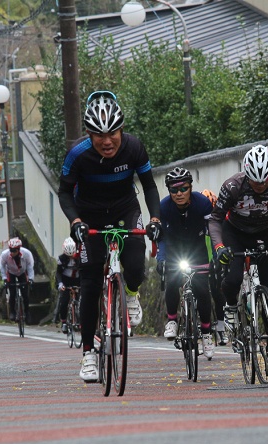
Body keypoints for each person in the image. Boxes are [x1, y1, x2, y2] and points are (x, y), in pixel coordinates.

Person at [58, 90, 162, 383]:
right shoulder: (77, 154)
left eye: (112, 133)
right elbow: (65, 191)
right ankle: (89, 353)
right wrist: (75, 221)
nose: (107, 141)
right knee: (90, 283)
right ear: (89, 134)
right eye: (98, 135)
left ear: (121, 129)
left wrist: (155, 219)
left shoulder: (134, 148)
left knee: (136, 264)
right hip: (88, 215)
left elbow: (150, 186)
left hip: (124, 209)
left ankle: (130, 294)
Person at [208, 145, 268, 372]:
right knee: (232, 279)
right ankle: (230, 307)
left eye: (264, 182)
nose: (260, 186)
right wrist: (219, 247)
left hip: (263, 233)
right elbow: (215, 219)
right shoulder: (232, 187)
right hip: (234, 232)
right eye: (255, 182)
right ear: (246, 175)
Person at [156, 168, 215, 358]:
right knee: (172, 281)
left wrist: (216, 256)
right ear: (169, 191)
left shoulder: (203, 204)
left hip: (197, 251)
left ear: (191, 188)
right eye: (174, 190)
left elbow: (213, 232)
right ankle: (172, 319)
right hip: (174, 251)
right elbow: (161, 239)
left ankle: (206, 334)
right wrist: (161, 259)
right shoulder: (163, 207)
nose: (179, 194)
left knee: (202, 291)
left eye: (184, 189)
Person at [201, 188, 228, 345]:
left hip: (215, 261)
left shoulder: (220, 222)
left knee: (218, 294)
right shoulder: (196, 220)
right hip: (199, 260)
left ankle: (220, 329)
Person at [0, 237, 35, 322]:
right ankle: (12, 312)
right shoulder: (4, 254)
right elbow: (2, 266)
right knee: (12, 293)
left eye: (14, 251)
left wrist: (30, 279)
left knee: (25, 294)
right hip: (11, 272)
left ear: (19, 249)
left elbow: (30, 266)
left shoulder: (27, 253)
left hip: (22, 272)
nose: (12, 253)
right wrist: (4, 279)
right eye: (10, 250)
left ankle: (27, 312)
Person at [55, 237, 82, 334]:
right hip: (66, 280)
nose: (71, 258)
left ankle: (81, 320)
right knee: (64, 300)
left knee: (82, 300)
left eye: (73, 255)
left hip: (77, 279)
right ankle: (64, 322)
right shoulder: (61, 259)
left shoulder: (80, 257)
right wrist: (60, 284)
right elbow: (58, 273)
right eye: (68, 256)